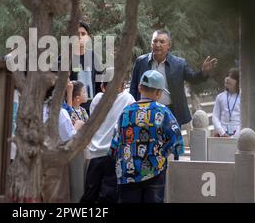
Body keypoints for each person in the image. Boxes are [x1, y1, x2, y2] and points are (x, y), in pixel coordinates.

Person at [110, 70, 184, 203]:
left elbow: (114, 143)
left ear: (139, 88)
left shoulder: (126, 112)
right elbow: (177, 142)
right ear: (159, 93)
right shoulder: (163, 112)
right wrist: (164, 152)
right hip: (155, 171)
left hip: (127, 174)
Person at [129, 30, 218, 126]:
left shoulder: (179, 64)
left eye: (162, 42)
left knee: (171, 140)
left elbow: (193, 78)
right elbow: (133, 87)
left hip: (171, 112)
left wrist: (203, 72)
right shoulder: (141, 62)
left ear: (169, 45)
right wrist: (134, 108)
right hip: (145, 111)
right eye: (155, 41)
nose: (157, 44)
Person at [81, 74, 135, 203]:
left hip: (95, 154)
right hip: (114, 153)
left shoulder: (97, 99)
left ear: (102, 86)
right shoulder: (127, 98)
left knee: (90, 192)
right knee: (108, 194)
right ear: (122, 87)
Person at [60, 21, 103, 113]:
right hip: (71, 110)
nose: (80, 37)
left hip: (92, 109)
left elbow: (99, 85)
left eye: (83, 34)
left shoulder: (94, 58)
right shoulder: (64, 59)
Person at [212, 68, 241, 137]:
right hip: (222, 134)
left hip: (238, 135)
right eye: (227, 76)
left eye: (231, 77)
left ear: (238, 81)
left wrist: (235, 136)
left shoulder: (243, 97)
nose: (227, 79)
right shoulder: (220, 97)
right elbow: (215, 116)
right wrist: (222, 132)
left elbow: (244, 119)